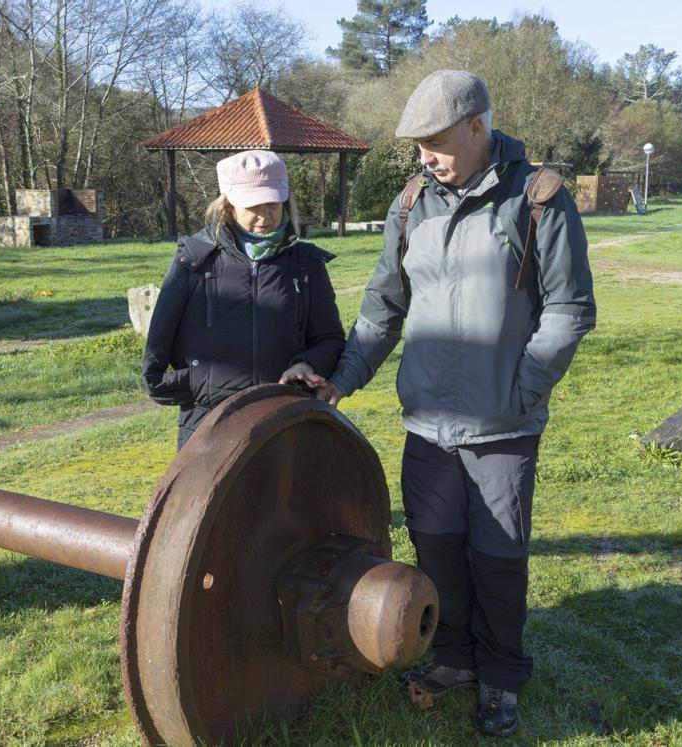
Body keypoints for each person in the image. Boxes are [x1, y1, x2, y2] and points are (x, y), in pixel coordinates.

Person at [317, 70, 596, 737]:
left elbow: (570, 308)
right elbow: (383, 307)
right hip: (428, 427)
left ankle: (500, 677)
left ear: (477, 127)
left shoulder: (539, 197)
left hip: (503, 429)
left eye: (436, 143)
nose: (426, 158)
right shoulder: (412, 203)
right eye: (418, 146)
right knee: (437, 550)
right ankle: (453, 659)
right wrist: (342, 379)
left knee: (498, 560)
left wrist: (522, 389)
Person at [142, 150, 345, 449]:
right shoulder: (193, 261)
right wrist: (203, 384)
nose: (264, 215)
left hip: (287, 423)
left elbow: (330, 340)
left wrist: (307, 364)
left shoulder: (307, 265)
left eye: (273, 203)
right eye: (252, 206)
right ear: (229, 205)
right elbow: (154, 364)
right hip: (208, 429)